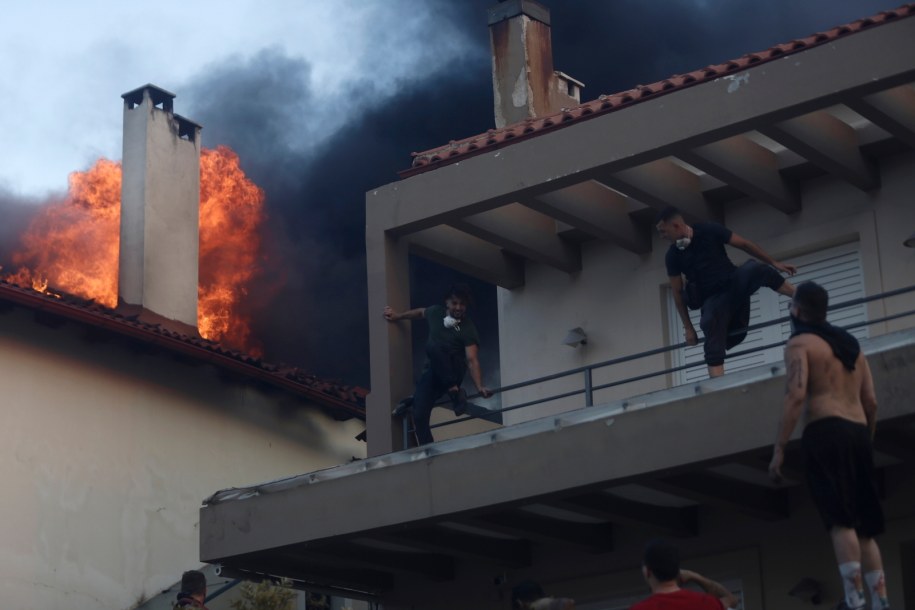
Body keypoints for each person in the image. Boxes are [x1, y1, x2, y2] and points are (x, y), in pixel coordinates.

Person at [769, 281, 890, 610]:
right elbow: (872, 402)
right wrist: (867, 437)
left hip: (826, 431)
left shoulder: (801, 343)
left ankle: (854, 599)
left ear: (798, 309)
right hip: (859, 431)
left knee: (841, 519)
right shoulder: (852, 346)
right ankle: (880, 601)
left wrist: (779, 448)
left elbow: (795, 395)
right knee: (865, 524)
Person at [656, 206, 797, 378]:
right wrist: (688, 328)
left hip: (733, 283)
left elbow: (744, 244)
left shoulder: (708, 229)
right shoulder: (673, 256)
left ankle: (801, 296)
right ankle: (718, 385)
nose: (662, 237)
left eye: (663, 232)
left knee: (755, 269)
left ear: (676, 225)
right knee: (708, 323)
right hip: (713, 301)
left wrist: (775, 262)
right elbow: (677, 292)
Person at [384, 283, 492, 445]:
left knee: (434, 347)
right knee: (419, 414)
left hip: (454, 371)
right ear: (447, 303)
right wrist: (398, 316)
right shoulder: (435, 312)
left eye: (462, 304)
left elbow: (472, 359)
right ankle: (429, 452)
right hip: (433, 374)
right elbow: (420, 312)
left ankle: (455, 392)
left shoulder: (468, 328)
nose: (458, 307)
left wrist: (479, 386)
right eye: (454, 303)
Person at [631, 539, 738, 610]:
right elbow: (730, 599)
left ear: (648, 571)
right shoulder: (707, 604)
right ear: (677, 570)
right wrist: (695, 576)